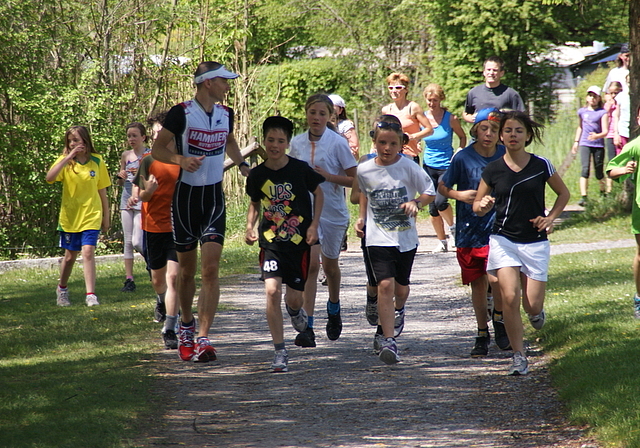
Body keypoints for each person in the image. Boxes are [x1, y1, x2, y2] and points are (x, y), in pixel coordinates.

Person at [152, 61, 251, 362]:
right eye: (224, 81)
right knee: (186, 273)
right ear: (208, 82)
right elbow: (157, 149)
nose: (228, 86)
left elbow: (230, 141)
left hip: (213, 199)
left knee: (210, 270)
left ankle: (204, 337)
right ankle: (185, 324)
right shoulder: (181, 112)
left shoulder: (226, 114)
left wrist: (244, 165)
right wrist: (180, 160)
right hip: (185, 200)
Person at [473, 110, 570, 375]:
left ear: (528, 135)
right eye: (507, 131)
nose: (512, 135)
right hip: (504, 240)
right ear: (500, 136)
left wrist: (550, 218)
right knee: (509, 296)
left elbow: (563, 193)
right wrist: (482, 204)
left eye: (518, 130)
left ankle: (537, 314)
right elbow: (477, 206)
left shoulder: (541, 165)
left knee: (532, 305)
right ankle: (519, 356)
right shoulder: (492, 169)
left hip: (535, 242)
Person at [245, 116, 325, 372]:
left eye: (280, 141)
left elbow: (319, 193)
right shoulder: (257, 175)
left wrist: (313, 225)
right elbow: (255, 204)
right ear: (264, 142)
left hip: (298, 244)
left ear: (288, 144)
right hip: (271, 244)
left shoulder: (300, 169)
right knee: (271, 291)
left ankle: (295, 312)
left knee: (294, 300)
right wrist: (249, 227)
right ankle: (280, 352)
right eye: (270, 140)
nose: (275, 145)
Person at [355, 114, 435, 364]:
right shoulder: (365, 169)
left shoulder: (409, 167)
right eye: (382, 143)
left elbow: (430, 191)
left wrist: (416, 202)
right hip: (377, 237)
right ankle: (388, 340)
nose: (387, 148)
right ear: (374, 142)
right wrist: (361, 218)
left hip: (405, 238)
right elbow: (364, 195)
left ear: (401, 143)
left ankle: (400, 309)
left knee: (400, 288)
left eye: (392, 143)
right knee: (385, 285)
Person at [439, 108, 509, 357]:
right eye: (483, 129)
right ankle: (482, 332)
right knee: (478, 284)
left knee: (498, 279)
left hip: (500, 228)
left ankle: (500, 321)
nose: (488, 134)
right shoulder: (463, 158)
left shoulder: (506, 155)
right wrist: (459, 195)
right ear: (475, 130)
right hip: (470, 230)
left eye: (494, 130)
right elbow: (443, 186)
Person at [289, 94, 358, 346]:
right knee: (311, 267)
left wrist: (328, 176)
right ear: (306, 114)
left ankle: (334, 307)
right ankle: (307, 327)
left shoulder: (338, 143)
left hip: (333, 213)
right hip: (305, 213)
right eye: (312, 113)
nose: (316, 118)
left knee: (330, 267)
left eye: (321, 113)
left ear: (331, 116)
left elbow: (355, 179)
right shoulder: (296, 143)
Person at [46, 125, 111, 307]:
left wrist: (106, 217)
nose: (73, 143)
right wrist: (68, 157)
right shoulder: (65, 162)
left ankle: (91, 294)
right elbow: (50, 178)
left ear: (85, 140)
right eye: (70, 141)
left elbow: (102, 191)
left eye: (77, 140)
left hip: (91, 214)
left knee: (88, 252)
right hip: (70, 217)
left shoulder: (97, 161)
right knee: (70, 256)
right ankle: (62, 288)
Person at [131, 149, 181, 349]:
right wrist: (149, 191)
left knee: (173, 277)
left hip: (177, 228)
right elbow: (141, 196)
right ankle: (161, 300)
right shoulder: (148, 160)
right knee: (158, 280)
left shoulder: (183, 160)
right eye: (156, 133)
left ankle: (170, 328)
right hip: (153, 228)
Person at [422, 83, 467, 253]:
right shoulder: (423, 118)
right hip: (428, 165)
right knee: (432, 207)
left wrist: (459, 151)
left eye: (435, 100)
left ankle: (453, 228)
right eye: (429, 100)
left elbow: (462, 137)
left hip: (447, 165)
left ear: (441, 99)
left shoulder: (450, 118)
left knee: (441, 201)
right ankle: (442, 241)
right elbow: (417, 135)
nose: (432, 103)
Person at [607, 105, 640, 319]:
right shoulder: (636, 145)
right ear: (637, 118)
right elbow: (611, 169)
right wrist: (625, 169)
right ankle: (639, 297)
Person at [117, 122, 150, 292]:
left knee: (138, 241)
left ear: (143, 137)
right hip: (126, 198)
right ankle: (129, 280)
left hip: (142, 199)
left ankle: (153, 264)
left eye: (134, 135)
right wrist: (121, 176)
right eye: (129, 136)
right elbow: (121, 181)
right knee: (128, 241)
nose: (131, 139)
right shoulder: (125, 155)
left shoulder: (149, 155)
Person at [381, 72, 433, 162]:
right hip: (391, 156)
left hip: (409, 156)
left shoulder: (413, 108)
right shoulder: (386, 110)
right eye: (390, 88)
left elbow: (429, 129)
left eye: (398, 87)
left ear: (406, 90)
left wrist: (412, 137)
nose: (394, 91)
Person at [571, 85, 609, 206]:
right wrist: (576, 142)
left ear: (599, 98)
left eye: (595, 96)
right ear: (587, 97)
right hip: (584, 143)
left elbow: (605, 131)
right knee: (585, 169)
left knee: (599, 170)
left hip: (598, 145)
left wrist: (596, 136)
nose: (592, 98)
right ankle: (584, 196)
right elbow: (580, 127)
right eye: (590, 96)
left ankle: (603, 193)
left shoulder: (602, 113)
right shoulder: (582, 112)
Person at [462, 56, 525, 124]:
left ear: (501, 73)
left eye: (495, 70)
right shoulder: (474, 92)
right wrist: (472, 118)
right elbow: (466, 113)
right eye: (488, 70)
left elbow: (522, 117)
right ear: (484, 72)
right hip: (480, 133)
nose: (491, 73)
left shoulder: (511, 94)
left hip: (501, 133)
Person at [604, 82, 623, 194]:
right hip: (610, 135)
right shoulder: (608, 105)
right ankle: (609, 189)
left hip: (621, 134)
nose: (614, 95)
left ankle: (622, 186)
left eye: (616, 93)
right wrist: (608, 106)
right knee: (611, 162)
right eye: (611, 93)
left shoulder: (622, 103)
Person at [328, 94, 360, 159]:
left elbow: (354, 145)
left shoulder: (345, 125)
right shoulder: (322, 123)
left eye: (333, 108)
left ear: (340, 110)